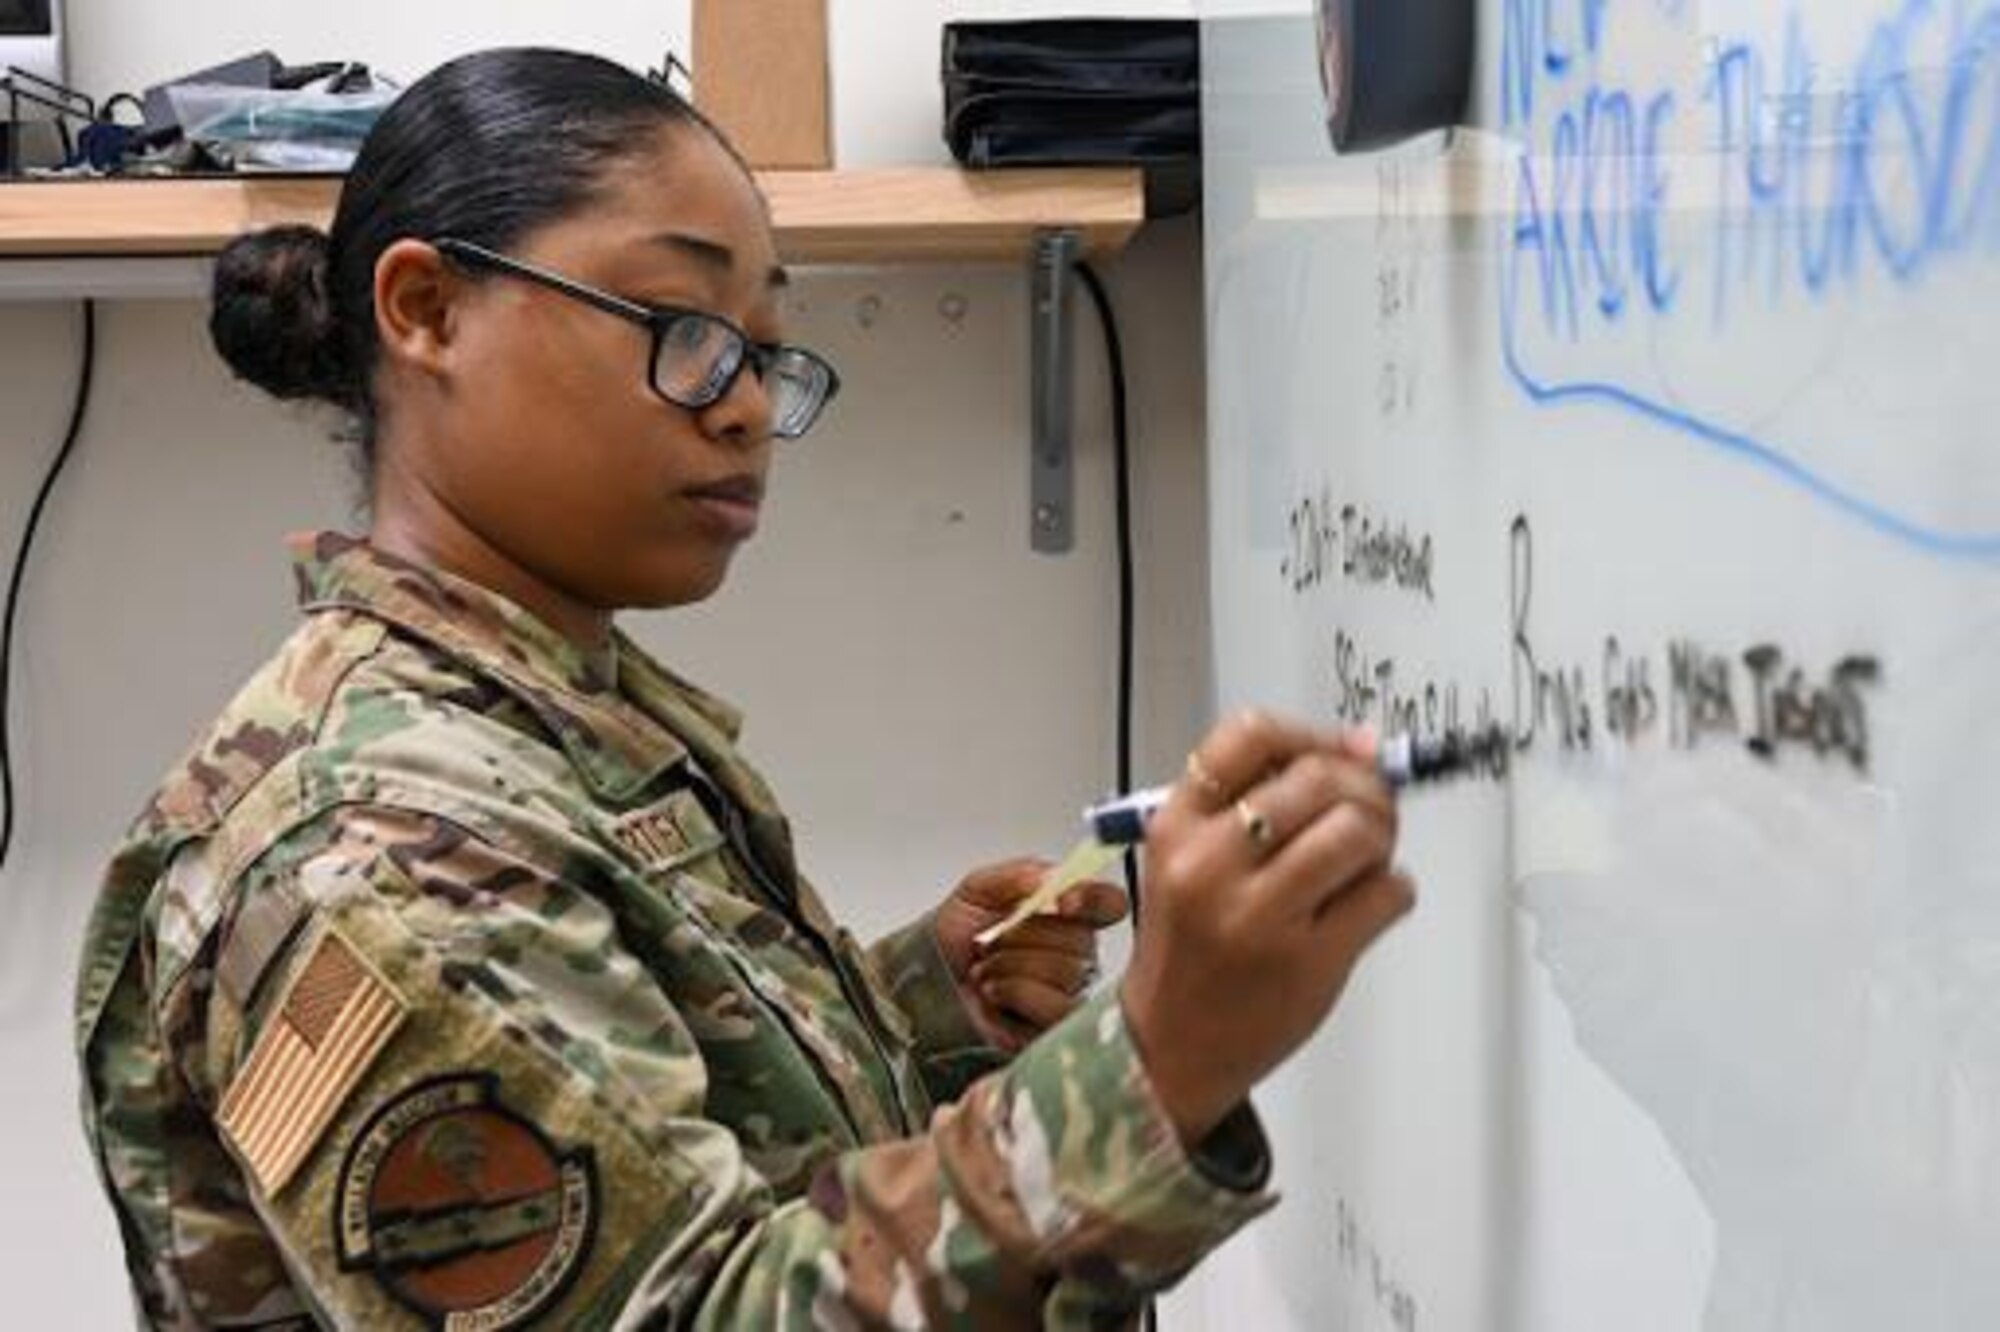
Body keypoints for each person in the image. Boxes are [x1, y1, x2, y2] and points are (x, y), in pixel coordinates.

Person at [74, 48, 1414, 1331]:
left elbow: (673, 1149)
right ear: (428, 310)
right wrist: (1161, 1060)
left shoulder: (533, 713)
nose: (744, 408)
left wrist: (914, 1014)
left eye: (764, 351)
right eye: (684, 329)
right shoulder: (374, 848)